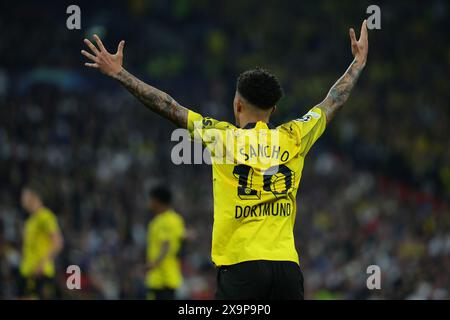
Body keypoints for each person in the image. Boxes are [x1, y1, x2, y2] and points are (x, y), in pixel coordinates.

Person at [81, 20, 368, 299]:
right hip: (286, 268)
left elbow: (167, 105)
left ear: (238, 104)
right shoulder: (295, 135)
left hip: (241, 265)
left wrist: (121, 74)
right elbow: (333, 100)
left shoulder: (222, 137)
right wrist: (357, 64)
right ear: (274, 108)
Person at [19, 184, 64, 299]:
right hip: (27, 271)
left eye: (25, 196)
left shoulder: (45, 216)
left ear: (34, 197)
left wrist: (42, 263)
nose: (22, 199)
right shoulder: (29, 221)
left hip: (41, 272)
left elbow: (58, 242)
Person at [145, 186, 185, 300]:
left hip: (161, 278)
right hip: (169, 276)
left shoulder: (161, 221)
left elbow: (166, 244)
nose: (149, 203)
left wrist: (155, 263)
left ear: (157, 201)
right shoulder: (176, 219)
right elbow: (180, 237)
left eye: (151, 199)